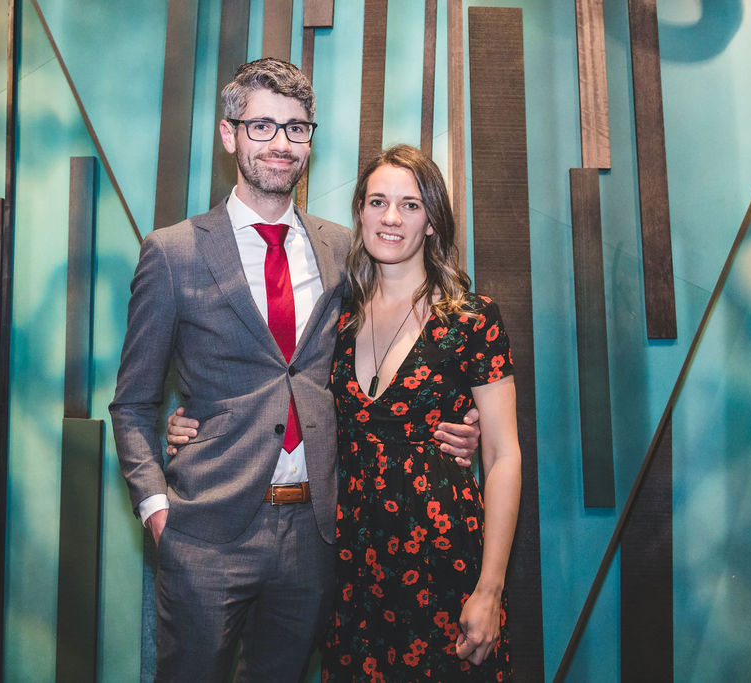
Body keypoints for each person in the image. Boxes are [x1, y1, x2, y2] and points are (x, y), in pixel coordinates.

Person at [109, 58, 479, 683]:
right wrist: (155, 507)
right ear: (229, 134)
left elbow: (405, 336)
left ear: (310, 139)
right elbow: (132, 401)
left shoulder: (343, 248)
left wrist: (460, 419)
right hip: (205, 531)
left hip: (316, 533)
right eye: (262, 126)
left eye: (296, 128)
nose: (281, 143)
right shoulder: (173, 252)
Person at [320, 144, 521, 681]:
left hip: (441, 558)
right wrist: (194, 424)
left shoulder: (472, 320)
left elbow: (503, 456)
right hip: (352, 568)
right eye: (377, 202)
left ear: (431, 221)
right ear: (360, 212)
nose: (391, 217)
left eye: (410, 205)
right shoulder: (335, 318)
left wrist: (490, 589)